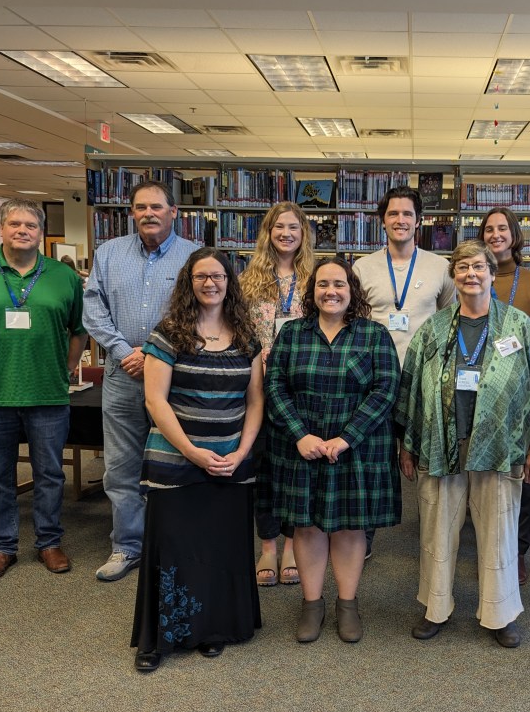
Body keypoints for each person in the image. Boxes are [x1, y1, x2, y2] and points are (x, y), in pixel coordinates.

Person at [396, 240, 530, 648]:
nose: (471, 274)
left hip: (502, 444)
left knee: (499, 530)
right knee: (437, 527)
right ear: (454, 277)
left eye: (478, 267)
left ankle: (500, 612)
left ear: (491, 274)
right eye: (462, 267)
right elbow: (411, 389)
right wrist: (406, 443)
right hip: (440, 443)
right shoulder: (433, 329)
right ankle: (435, 607)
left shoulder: (519, 327)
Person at [132, 248, 264, 672]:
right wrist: (192, 452)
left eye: (219, 276)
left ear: (230, 282)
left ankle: (212, 628)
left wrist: (241, 453)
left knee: (218, 549)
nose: (211, 283)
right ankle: (159, 640)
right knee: (174, 549)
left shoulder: (247, 336)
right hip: (177, 462)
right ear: (189, 283)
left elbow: (255, 401)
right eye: (202, 277)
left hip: (231, 463)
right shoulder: (169, 333)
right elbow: (155, 399)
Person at [0, 199, 86, 581]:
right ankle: (3, 546)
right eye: (14, 224)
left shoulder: (64, 277)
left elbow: (80, 329)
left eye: (31, 225)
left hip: (48, 394)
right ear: (2, 230)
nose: (23, 230)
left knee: (50, 474)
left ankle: (49, 542)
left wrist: (68, 367)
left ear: (41, 233)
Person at [265, 258, 400, 644]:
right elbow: (274, 387)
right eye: (323, 285)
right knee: (306, 524)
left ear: (352, 290)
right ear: (312, 293)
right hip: (301, 445)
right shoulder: (291, 334)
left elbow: (386, 390)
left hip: (356, 447)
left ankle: (347, 603)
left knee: (349, 526)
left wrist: (346, 437)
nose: (331, 292)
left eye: (339, 284)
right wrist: (300, 435)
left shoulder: (374, 335)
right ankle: (312, 603)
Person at [83, 180, 198, 581]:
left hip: (177, 377)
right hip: (122, 374)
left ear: (174, 211)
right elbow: (93, 310)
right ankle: (127, 545)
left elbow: (202, 313)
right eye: (140, 207)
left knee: (177, 459)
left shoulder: (194, 257)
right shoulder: (109, 253)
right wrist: (122, 351)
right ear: (131, 212)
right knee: (121, 464)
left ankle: (175, 541)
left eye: (156, 206)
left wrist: (154, 354)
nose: (148, 213)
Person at [353, 184, 455, 558]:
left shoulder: (440, 267)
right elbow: (354, 321)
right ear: (383, 221)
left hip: (424, 382)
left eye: (407, 214)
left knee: (427, 460)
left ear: (419, 221)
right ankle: (364, 534)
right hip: (375, 380)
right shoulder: (362, 267)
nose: (400, 220)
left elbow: (448, 317)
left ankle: (433, 535)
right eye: (393, 214)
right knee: (373, 461)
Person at [239, 201, 314, 588]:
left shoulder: (315, 278)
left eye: (294, 228)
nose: (286, 233)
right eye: (279, 227)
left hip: (299, 386)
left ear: (304, 235)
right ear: (268, 233)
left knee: (295, 468)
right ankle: (267, 545)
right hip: (255, 385)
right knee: (262, 466)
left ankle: (291, 544)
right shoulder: (246, 280)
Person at [479, 207, 530, 586]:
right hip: (476, 390)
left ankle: (517, 551)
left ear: (514, 234)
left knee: (520, 477)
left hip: (518, 395)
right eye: (488, 229)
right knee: (481, 474)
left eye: (502, 228)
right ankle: (483, 546)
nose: (495, 235)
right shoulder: (472, 274)